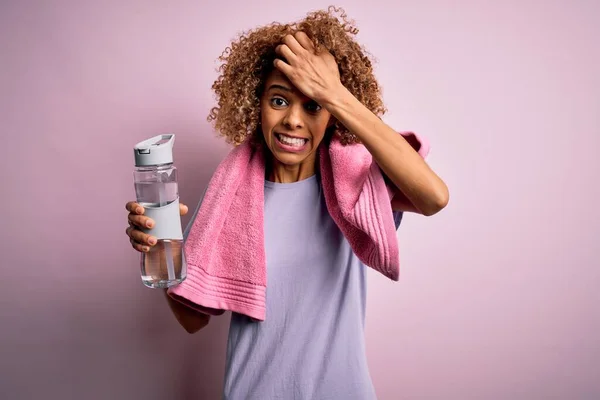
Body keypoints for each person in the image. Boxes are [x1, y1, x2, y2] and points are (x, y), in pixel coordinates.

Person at [125, 7, 448, 399]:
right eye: (279, 101)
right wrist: (161, 245)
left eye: (313, 105)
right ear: (255, 102)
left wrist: (334, 92)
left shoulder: (358, 189)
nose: (294, 120)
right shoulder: (228, 199)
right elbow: (192, 319)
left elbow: (434, 198)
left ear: (333, 113)